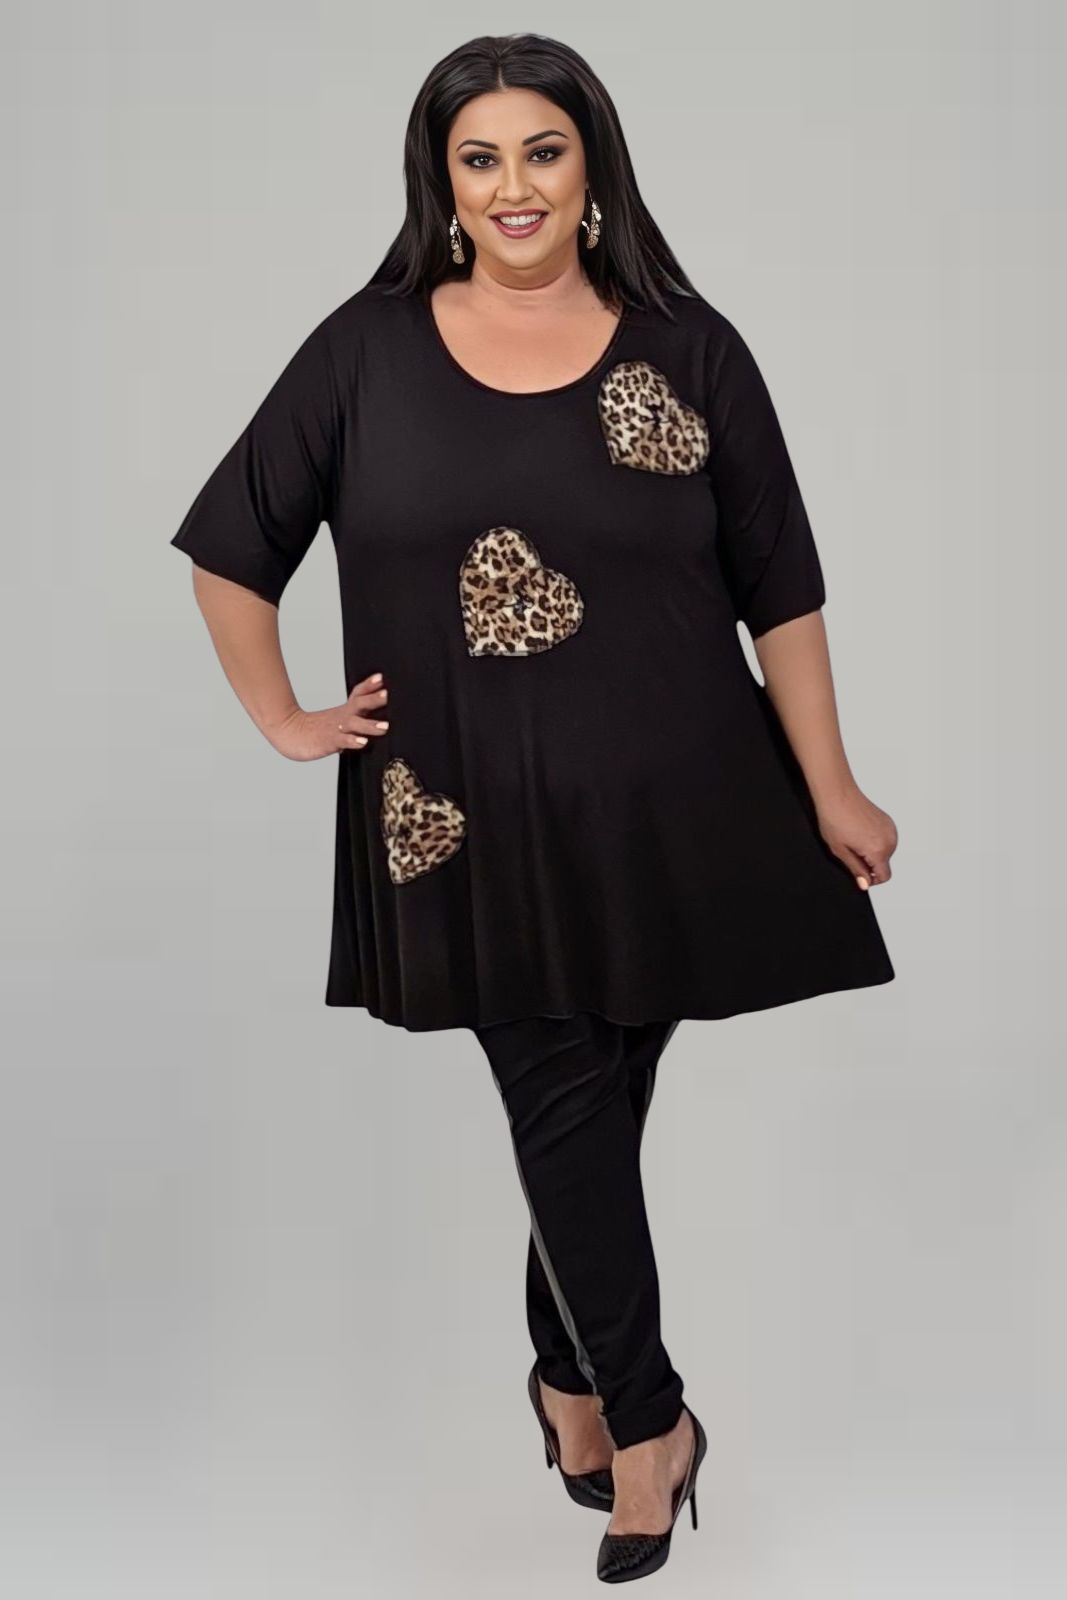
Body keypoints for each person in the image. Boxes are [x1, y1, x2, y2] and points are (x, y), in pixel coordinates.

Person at [169, 32, 898, 1583]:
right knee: (561, 1097)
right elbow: (233, 545)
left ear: (592, 168)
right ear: (442, 181)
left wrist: (831, 782)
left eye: (543, 152)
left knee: (593, 1109)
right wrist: (285, 717)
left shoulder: (690, 348)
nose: (514, 186)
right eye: (480, 157)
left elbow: (780, 587)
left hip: (679, 801)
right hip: (460, 815)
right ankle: (648, 1427)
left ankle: (565, 1374)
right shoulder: (363, 353)